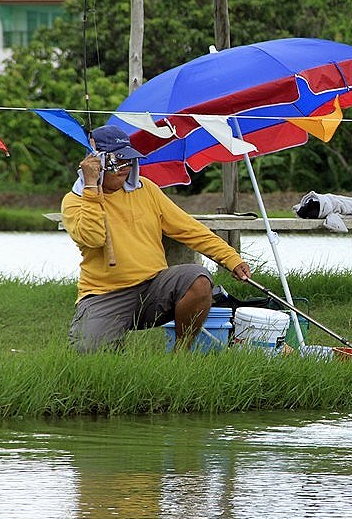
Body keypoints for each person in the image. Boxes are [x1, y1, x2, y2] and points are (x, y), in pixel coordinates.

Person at [61, 124, 251, 352]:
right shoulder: (75, 201)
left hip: (154, 286)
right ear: (97, 163)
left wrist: (231, 258)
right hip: (104, 295)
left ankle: (181, 355)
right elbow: (92, 239)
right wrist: (91, 188)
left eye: (128, 161)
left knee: (197, 278)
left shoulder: (147, 189)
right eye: (117, 162)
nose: (125, 168)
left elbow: (188, 228)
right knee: (88, 354)